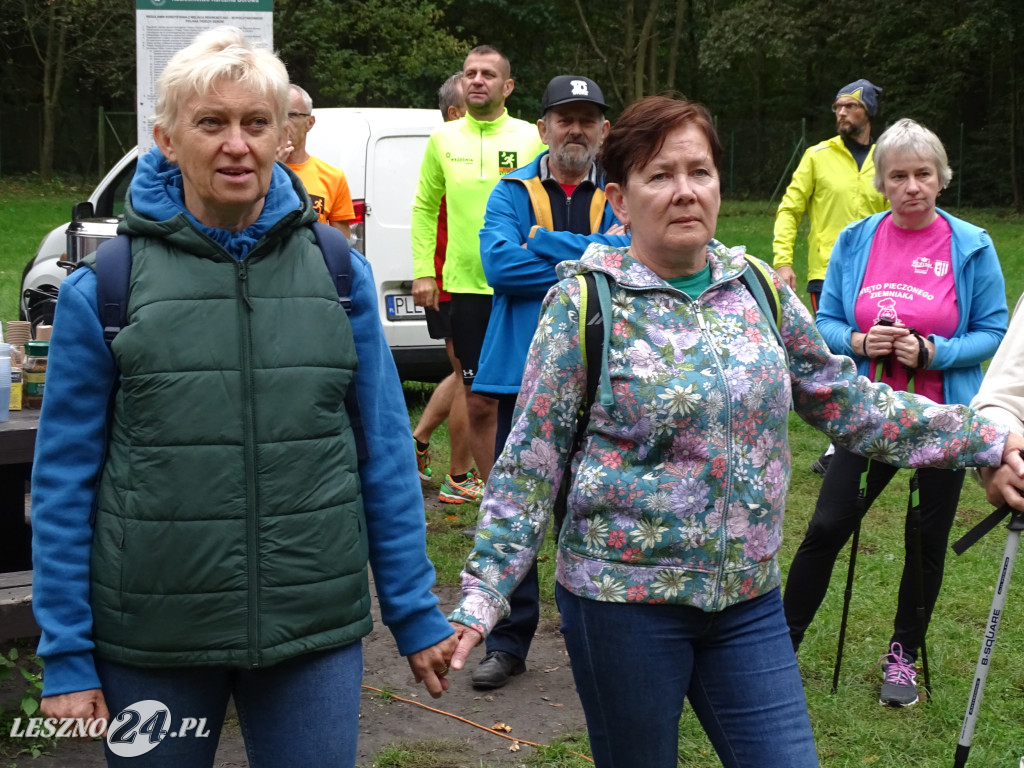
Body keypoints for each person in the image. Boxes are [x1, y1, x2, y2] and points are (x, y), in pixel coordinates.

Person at [445, 95, 1024, 768]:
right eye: (660, 175)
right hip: (623, 605)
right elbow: (528, 463)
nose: (685, 191)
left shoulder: (757, 289)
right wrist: (485, 590)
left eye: (700, 171)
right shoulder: (583, 304)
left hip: (746, 602)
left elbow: (849, 404)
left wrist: (987, 439)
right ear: (620, 199)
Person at [30, 27, 456, 767]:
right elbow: (63, 486)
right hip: (151, 636)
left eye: (256, 123)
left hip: (310, 630)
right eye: (211, 123)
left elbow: (384, 452)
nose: (237, 144)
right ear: (167, 139)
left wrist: (414, 611)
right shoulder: (104, 289)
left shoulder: (337, 274)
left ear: (282, 136)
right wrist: (66, 654)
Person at [783, 117, 1009, 708]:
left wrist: (934, 349)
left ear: (941, 179)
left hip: (943, 417)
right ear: (881, 182)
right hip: (872, 412)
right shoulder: (857, 239)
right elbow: (826, 321)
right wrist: (861, 343)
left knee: (924, 537)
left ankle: (902, 657)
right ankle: (780, 645)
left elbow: (995, 330)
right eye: (899, 175)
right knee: (828, 524)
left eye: (924, 174)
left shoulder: (973, 244)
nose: (912, 186)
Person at [468, 74, 628, 690]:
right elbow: (499, 268)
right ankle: (509, 642)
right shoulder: (510, 191)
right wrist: (589, 254)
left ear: (603, 131)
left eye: (588, 118)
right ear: (543, 128)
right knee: (521, 508)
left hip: (599, 369)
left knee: (588, 509)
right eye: (565, 118)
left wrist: (544, 244)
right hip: (521, 373)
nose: (576, 129)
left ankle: (593, 636)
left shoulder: (616, 191)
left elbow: (627, 257)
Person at [410, 45, 545, 485]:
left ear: (507, 86)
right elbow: (425, 207)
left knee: (529, 389)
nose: (477, 80)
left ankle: (531, 477)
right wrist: (423, 271)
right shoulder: (443, 139)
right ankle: (491, 492)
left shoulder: (530, 137)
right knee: (475, 391)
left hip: (521, 286)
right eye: (470, 73)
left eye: (488, 74)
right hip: (465, 286)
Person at [774, 79, 889, 476]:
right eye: (837, 107)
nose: (841, 113)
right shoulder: (817, 156)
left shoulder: (887, 160)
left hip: (880, 275)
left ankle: (860, 435)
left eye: (850, 107)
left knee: (871, 355)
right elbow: (790, 209)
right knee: (839, 355)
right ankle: (839, 445)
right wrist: (783, 261)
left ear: (867, 113)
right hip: (828, 276)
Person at [411, 71, 480, 504]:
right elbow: (423, 214)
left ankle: (416, 442)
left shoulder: (473, 152)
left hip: (458, 286)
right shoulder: (448, 153)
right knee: (470, 380)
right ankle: (459, 478)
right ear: (455, 113)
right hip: (453, 286)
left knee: (459, 374)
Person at [284, 84, 356, 237]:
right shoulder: (257, 172)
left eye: (291, 115)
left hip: (313, 260)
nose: (283, 123)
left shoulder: (333, 177)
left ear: (310, 123)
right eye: (277, 115)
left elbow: (341, 245)